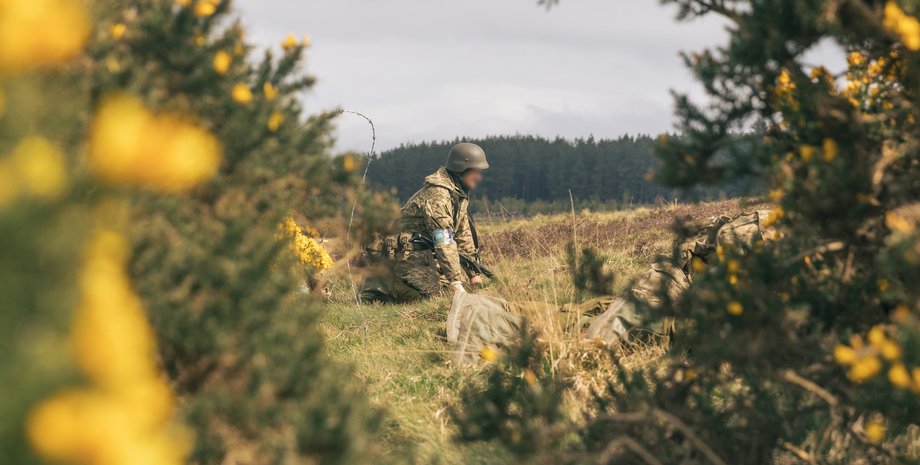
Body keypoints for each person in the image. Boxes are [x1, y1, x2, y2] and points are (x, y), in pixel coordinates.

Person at [360, 142, 491, 303]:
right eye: (476, 171)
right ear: (462, 169)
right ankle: (380, 287)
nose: (479, 177)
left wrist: (474, 275)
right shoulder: (438, 196)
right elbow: (444, 238)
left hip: (424, 255)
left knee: (444, 292)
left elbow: (463, 235)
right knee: (430, 298)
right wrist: (456, 282)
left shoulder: (458, 195)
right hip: (404, 254)